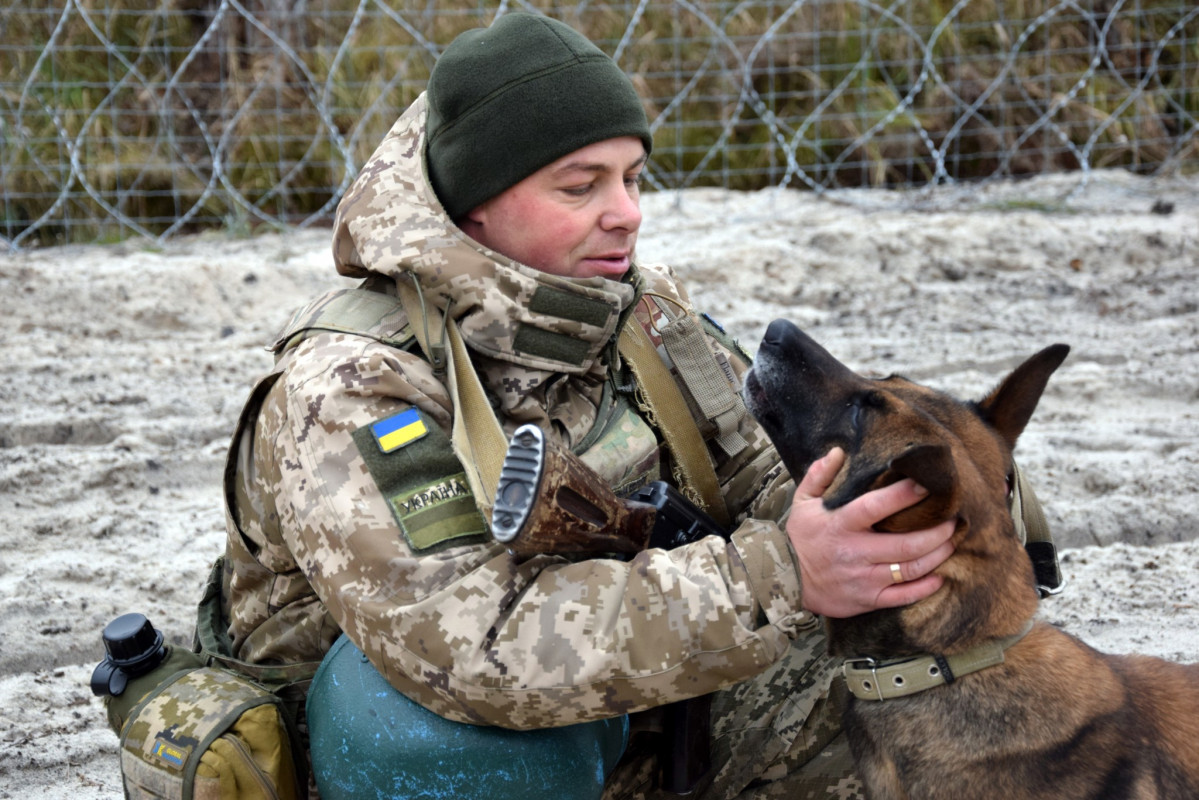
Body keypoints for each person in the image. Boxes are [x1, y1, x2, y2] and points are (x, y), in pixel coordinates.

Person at [213, 12, 957, 799]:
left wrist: (876, 514)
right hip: (443, 734)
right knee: (440, 746)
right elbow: (469, 648)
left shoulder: (633, 311)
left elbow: (761, 481)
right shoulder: (354, 387)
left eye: (632, 177)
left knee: (918, 642)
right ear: (476, 206)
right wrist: (782, 575)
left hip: (640, 698)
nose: (626, 211)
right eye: (580, 186)